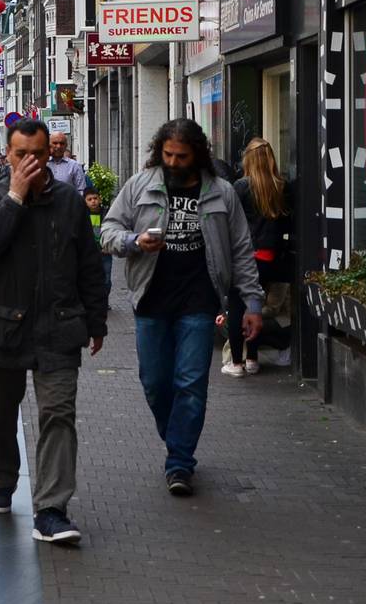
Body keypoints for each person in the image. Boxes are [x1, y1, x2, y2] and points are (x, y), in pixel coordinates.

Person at [0, 118, 108, 546]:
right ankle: (3, 479)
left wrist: (96, 321)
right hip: (2, 327)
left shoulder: (69, 202)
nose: (29, 162)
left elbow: (88, 264)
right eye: (20, 154)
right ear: (7, 155)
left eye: (37, 154)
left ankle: (52, 509)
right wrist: (15, 198)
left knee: (58, 415)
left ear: (50, 155)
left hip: (59, 328)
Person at [101, 118, 263, 497]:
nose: (173, 163)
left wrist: (253, 302)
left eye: (181, 156)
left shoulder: (222, 193)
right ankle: (177, 440)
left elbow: (241, 249)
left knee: (190, 383)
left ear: (198, 155)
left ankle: (179, 462)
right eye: (167, 155)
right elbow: (108, 231)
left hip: (199, 301)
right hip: (151, 299)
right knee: (155, 384)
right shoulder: (140, 185)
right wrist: (134, 241)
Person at [228, 138, 293, 377]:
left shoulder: (241, 187)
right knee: (257, 308)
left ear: (248, 159)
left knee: (237, 308)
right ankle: (253, 359)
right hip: (270, 259)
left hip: (246, 257)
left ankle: (237, 362)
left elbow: (232, 223)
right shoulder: (282, 186)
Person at [85, 188, 111, 300]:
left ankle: (104, 299)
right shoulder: (83, 214)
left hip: (104, 252)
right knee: (90, 278)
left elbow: (111, 230)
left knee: (106, 278)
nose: (93, 201)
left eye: (95, 198)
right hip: (89, 253)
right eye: (89, 199)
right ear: (84, 201)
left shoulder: (106, 213)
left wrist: (108, 245)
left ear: (100, 199)